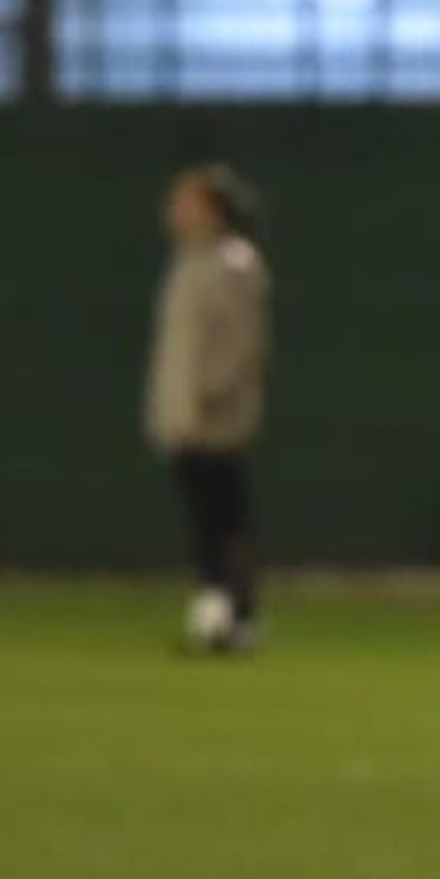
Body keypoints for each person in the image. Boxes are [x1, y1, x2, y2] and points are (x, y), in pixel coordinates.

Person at [144, 164, 271, 653]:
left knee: (226, 518)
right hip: (185, 419)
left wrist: (210, 397)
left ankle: (236, 613)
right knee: (204, 520)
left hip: (217, 421)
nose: (174, 209)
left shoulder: (234, 262)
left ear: (214, 209)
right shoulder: (189, 261)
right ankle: (215, 607)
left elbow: (239, 344)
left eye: (186, 200)